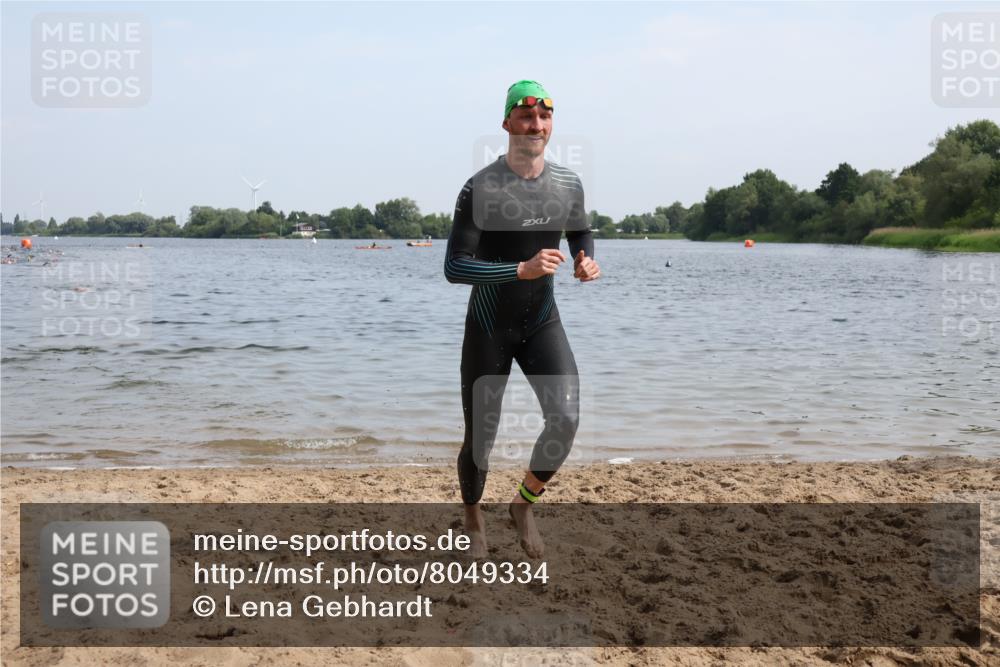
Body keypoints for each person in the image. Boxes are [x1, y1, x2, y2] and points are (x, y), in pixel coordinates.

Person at [444, 80, 601, 559]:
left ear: (552, 125)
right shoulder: (481, 188)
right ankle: (472, 516)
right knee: (480, 442)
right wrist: (520, 269)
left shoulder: (568, 184)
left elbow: (581, 229)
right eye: (526, 116)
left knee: (566, 419)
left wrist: (584, 259)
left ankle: (523, 504)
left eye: (544, 117)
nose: (536, 125)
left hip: (541, 321)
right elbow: (455, 267)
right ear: (507, 123)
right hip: (489, 325)